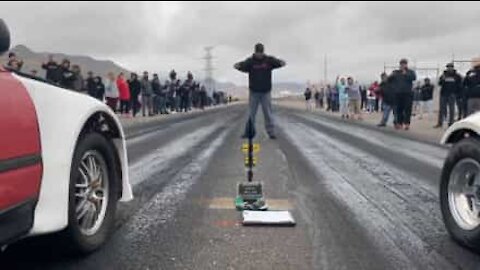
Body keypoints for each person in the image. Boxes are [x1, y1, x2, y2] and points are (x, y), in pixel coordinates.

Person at [234, 43, 286, 139]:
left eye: (261, 52)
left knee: (268, 113)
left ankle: (271, 132)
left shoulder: (269, 60)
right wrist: (238, 66)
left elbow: (279, 63)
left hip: (266, 92)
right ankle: (248, 132)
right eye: (258, 52)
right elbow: (242, 66)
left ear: (263, 52)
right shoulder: (250, 61)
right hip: (254, 92)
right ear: (255, 52)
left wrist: (281, 63)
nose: (259, 54)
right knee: (251, 113)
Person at [388, 59, 416, 130]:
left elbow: (414, 78)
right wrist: (391, 75)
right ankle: (399, 123)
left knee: (407, 109)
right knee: (399, 109)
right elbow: (389, 80)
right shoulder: (396, 72)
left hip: (407, 93)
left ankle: (407, 124)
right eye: (401, 64)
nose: (403, 65)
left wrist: (405, 73)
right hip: (398, 93)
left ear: (406, 64)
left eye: (404, 64)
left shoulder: (410, 72)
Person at [434, 63, 462, 128]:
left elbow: (459, 85)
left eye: (451, 67)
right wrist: (442, 80)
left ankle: (451, 123)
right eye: (448, 67)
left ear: (453, 68)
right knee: (441, 109)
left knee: (451, 109)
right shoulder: (443, 75)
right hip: (443, 94)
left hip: (452, 94)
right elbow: (439, 83)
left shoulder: (457, 76)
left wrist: (458, 94)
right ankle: (440, 123)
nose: (449, 68)